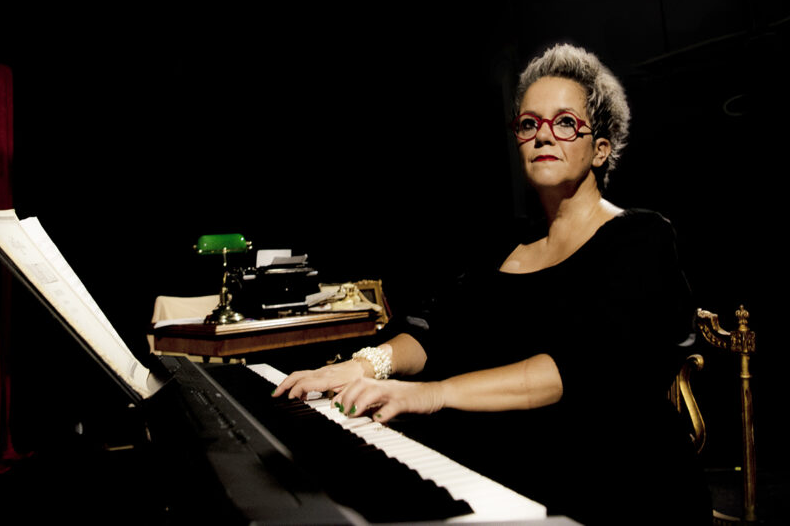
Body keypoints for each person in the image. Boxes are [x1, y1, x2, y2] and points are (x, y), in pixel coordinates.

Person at [274, 44, 712, 524]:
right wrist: (366, 365)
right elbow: (434, 328)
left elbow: (586, 366)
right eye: (529, 123)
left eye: (565, 122)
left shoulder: (641, 237)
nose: (543, 135)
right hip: (501, 465)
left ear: (601, 149)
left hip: (614, 482)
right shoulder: (506, 244)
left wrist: (431, 394)